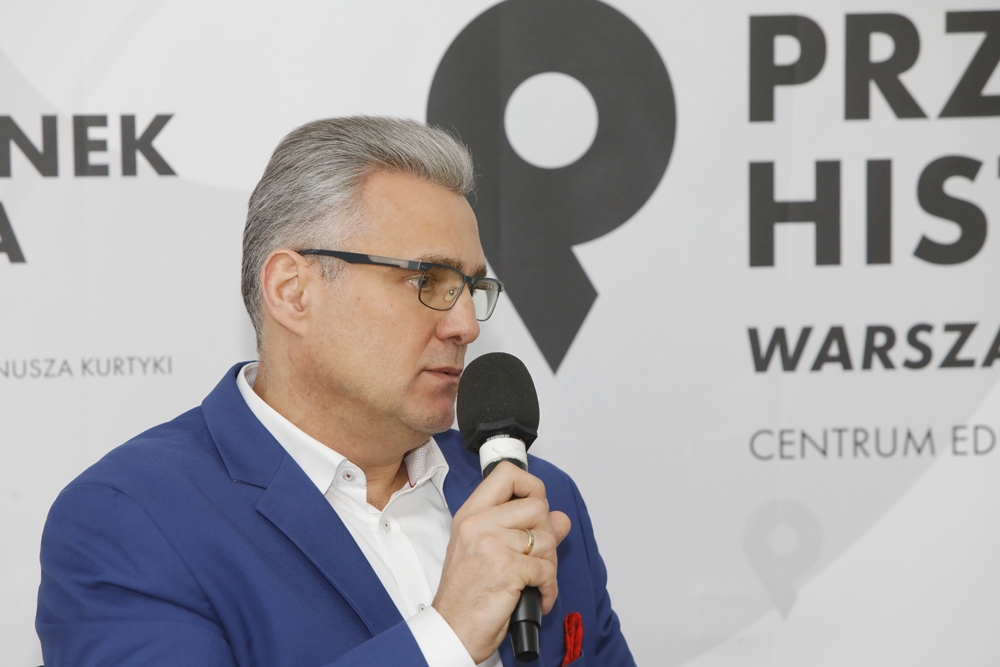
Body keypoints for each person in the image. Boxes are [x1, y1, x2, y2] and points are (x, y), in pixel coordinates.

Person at [36, 116, 634, 666]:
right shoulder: (131, 519)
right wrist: (447, 636)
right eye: (428, 280)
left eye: (471, 288)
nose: (465, 326)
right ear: (293, 291)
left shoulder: (533, 499)